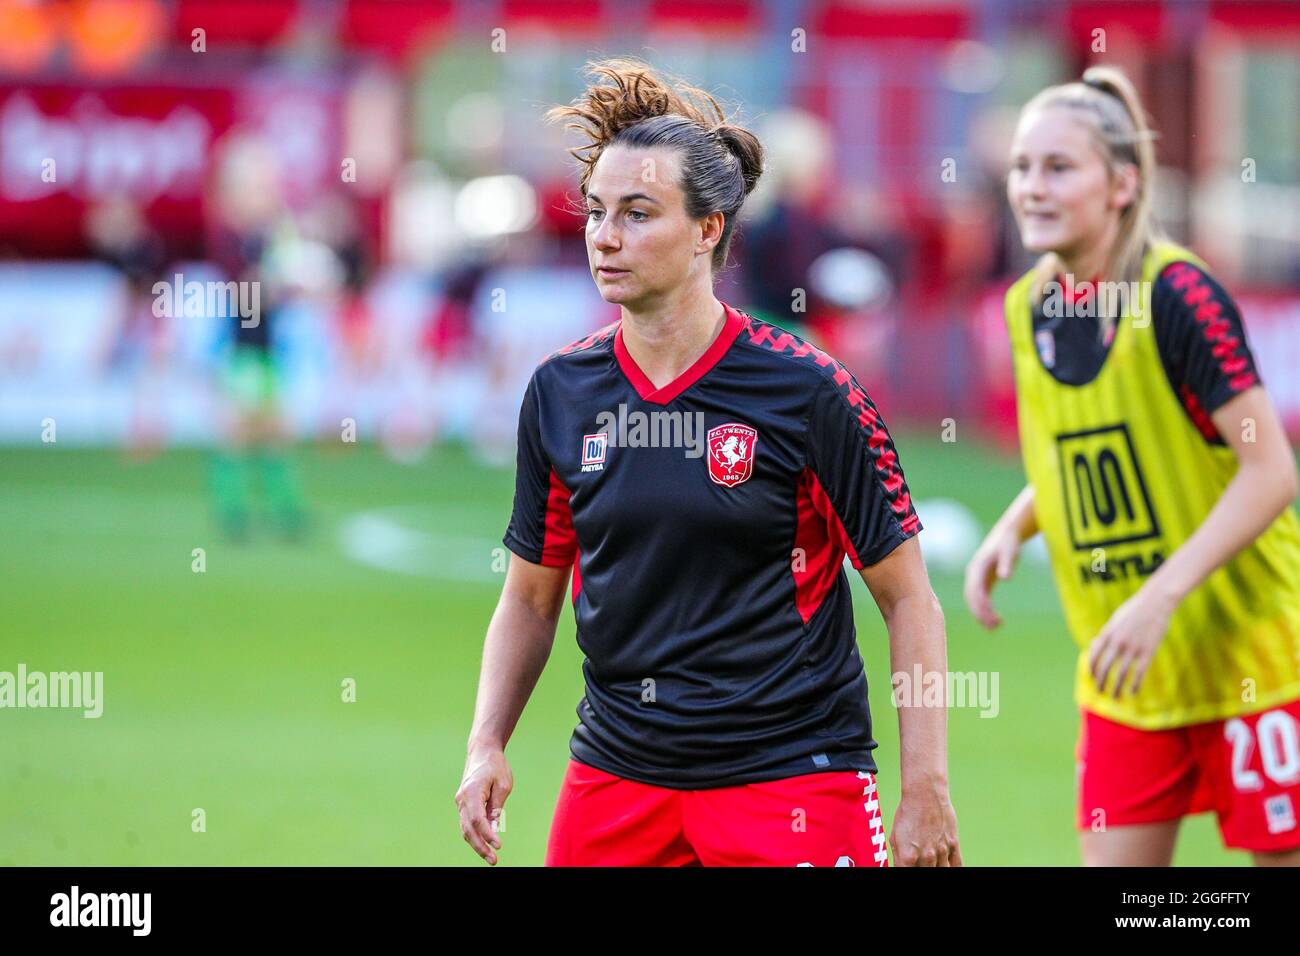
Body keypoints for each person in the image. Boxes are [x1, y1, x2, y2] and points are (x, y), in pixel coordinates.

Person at [456, 58, 959, 867]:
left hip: (792, 778)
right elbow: (530, 598)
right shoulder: (561, 393)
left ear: (708, 229)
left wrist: (926, 784)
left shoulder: (809, 392)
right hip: (617, 780)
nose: (606, 235)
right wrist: (487, 742)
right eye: (595, 212)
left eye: (637, 213)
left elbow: (909, 602)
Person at [965, 66, 1300, 866]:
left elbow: (1271, 472)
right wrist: (1017, 522)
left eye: (1058, 167)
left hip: (1250, 657)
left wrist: (1162, 597)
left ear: (1122, 184)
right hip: (1127, 669)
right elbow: (1087, 445)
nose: (1031, 188)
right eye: (1021, 167)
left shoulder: (1179, 293)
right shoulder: (1026, 307)